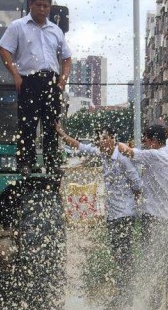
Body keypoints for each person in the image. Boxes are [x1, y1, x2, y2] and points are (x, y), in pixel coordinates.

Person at [57, 122, 143, 289]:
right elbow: (80, 146)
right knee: (117, 254)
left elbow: (138, 186)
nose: (100, 143)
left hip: (124, 215)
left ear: (112, 139)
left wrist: (131, 205)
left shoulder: (123, 159)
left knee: (125, 255)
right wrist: (62, 133)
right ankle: (122, 288)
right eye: (98, 140)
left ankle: (128, 289)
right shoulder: (103, 155)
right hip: (112, 215)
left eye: (104, 139)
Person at [0, 0, 72, 177]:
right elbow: (4, 49)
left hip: (52, 82)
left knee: (51, 124)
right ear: (31, 5)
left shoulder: (56, 30)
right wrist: (15, 74)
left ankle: (52, 162)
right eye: (38, 5)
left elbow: (67, 58)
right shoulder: (18, 26)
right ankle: (26, 163)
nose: (42, 9)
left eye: (46, 6)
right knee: (27, 124)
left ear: (50, 8)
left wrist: (62, 81)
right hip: (28, 80)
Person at [117, 124, 168, 251]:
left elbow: (124, 150)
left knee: (148, 251)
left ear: (154, 141)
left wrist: (114, 141)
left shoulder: (154, 155)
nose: (144, 143)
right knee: (162, 253)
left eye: (145, 140)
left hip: (153, 215)